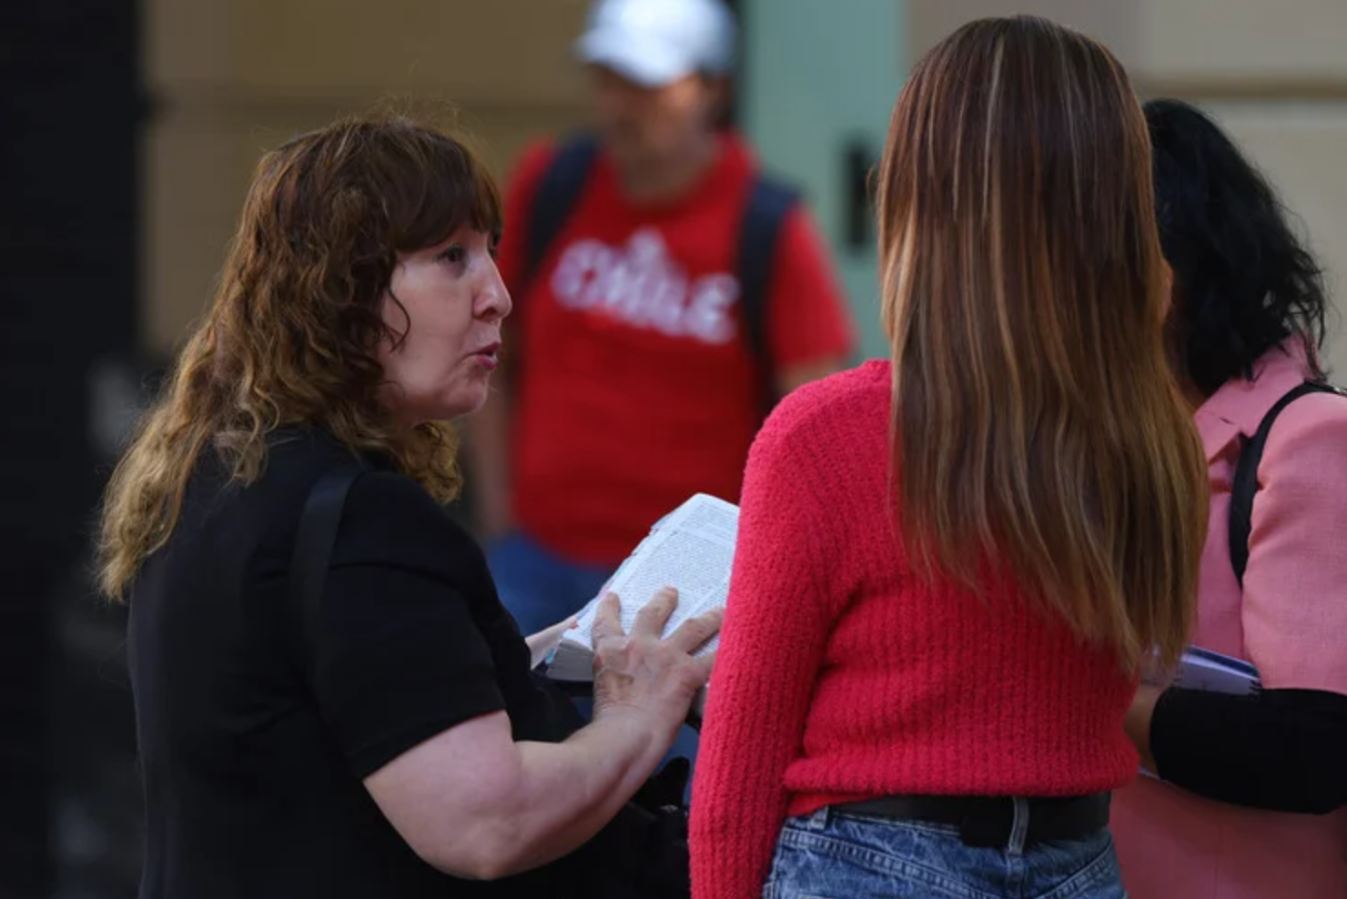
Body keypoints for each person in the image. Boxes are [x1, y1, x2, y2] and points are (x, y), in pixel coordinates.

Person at [95, 111, 720, 899]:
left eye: (489, 251)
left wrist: (551, 647)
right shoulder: (357, 517)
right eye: (450, 257)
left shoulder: (217, 480)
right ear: (341, 290)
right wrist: (640, 715)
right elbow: (486, 820)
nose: (496, 294)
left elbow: (347, 712)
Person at [689, 17, 1211, 899]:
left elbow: (735, 782)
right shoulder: (1157, 442)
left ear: (918, 200)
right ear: (1115, 207)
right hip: (1077, 862)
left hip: (864, 860)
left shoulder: (827, 436)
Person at [1109, 98, 1347, 899]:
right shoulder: (1119, 442)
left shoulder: (1313, 441)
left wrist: (1084, 692)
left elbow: (1315, 744)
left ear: (1164, 277)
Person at [467, 0, 857, 636]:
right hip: (531, 559)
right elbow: (493, 353)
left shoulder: (768, 226)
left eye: (646, 85)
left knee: (670, 740)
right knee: (507, 728)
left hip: (684, 586)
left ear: (714, 89)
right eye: (609, 80)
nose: (620, 106)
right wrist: (498, 511)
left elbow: (813, 421)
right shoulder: (552, 184)